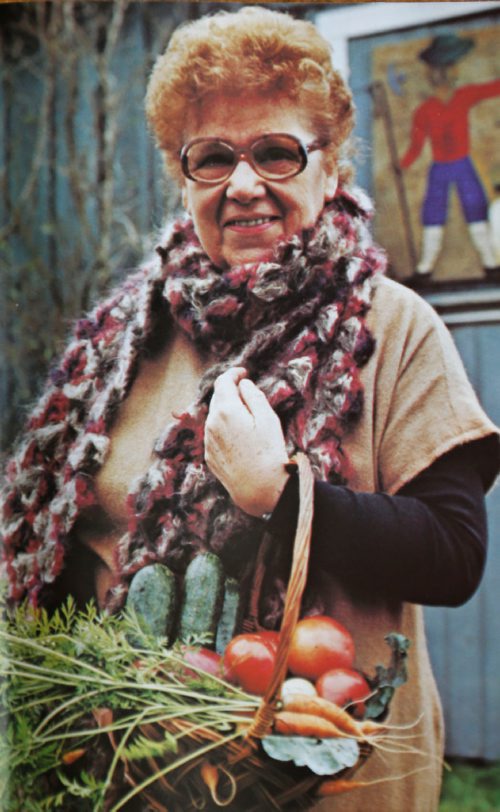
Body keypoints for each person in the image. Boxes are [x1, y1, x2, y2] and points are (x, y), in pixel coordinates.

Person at [2, 7, 499, 811]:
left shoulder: (394, 324)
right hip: (133, 781)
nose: (242, 184)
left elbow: (452, 555)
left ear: (330, 170)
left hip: (335, 784)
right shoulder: (125, 341)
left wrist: (280, 495)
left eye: (276, 152)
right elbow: (62, 558)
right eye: (212, 158)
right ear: (182, 176)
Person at [399, 33, 500, 281]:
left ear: (453, 71)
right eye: (439, 70)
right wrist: (402, 166)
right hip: (440, 169)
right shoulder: (425, 110)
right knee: (433, 214)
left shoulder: (464, 96)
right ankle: (425, 270)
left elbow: (493, 88)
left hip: (463, 165)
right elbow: (416, 145)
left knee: (476, 210)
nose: (444, 75)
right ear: (432, 74)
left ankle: (491, 265)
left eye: (448, 68)